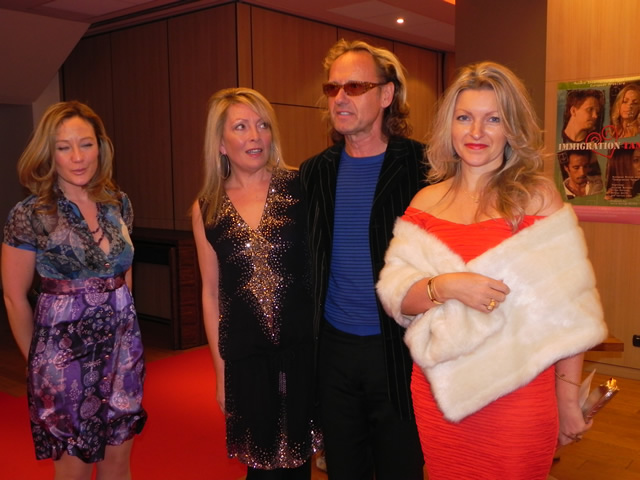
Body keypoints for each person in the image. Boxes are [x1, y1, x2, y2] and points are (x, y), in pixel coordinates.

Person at [376, 62, 608, 480]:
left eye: (493, 119)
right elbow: (397, 297)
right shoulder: (425, 203)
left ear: (512, 128)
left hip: (518, 397)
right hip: (441, 394)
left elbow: (571, 312)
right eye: (465, 118)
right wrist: (446, 286)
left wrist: (568, 400)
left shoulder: (537, 198)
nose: (477, 132)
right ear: (450, 126)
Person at [299, 39, 427, 480]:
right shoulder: (314, 172)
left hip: (399, 349)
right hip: (333, 351)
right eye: (332, 88)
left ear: (387, 94)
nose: (340, 97)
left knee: (400, 469)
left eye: (354, 87)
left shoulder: (424, 168)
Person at [1, 101, 146, 480]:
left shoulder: (118, 204)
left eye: (86, 144)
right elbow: (14, 296)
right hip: (63, 361)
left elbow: (124, 276)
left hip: (122, 355)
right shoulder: (31, 214)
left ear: (101, 146)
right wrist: (40, 366)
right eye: (64, 147)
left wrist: (128, 334)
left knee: (119, 464)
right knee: (74, 471)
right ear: (49, 154)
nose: (78, 157)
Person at [191, 87, 322, 480]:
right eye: (241, 127)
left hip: (304, 353)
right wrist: (221, 373)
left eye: (262, 125)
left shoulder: (301, 187)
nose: (255, 136)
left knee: (299, 465)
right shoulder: (207, 207)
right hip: (246, 360)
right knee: (261, 469)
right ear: (220, 143)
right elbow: (210, 294)